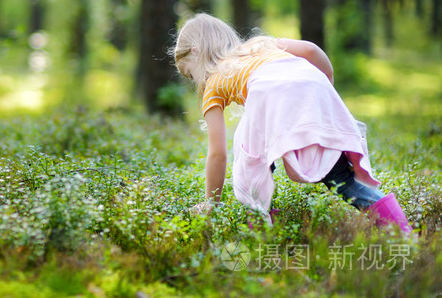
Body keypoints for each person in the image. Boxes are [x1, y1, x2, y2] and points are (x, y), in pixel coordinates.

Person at [173, 13, 411, 233]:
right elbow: (310, 49)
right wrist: (326, 85)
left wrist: (211, 203)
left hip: (271, 93)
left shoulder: (214, 83)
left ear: (195, 52)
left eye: (190, 74)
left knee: (250, 162)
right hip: (313, 86)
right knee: (342, 177)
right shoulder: (259, 45)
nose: (196, 81)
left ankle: (262, 230)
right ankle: (403, 233)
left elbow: (217, 154)